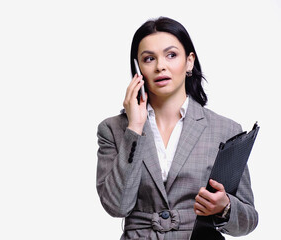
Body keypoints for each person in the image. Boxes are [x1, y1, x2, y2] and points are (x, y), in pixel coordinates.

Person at [96, 17, 258, 240]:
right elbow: (117, 207)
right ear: (137, 68)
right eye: (149, 58)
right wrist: (134, 127)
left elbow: (249, 219)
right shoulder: (112, 129)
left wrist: (225, 207)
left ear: (189, 61)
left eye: (171, 55)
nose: (160, 66)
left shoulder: (225, 129)